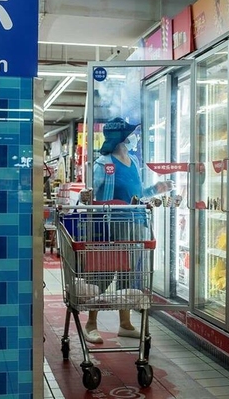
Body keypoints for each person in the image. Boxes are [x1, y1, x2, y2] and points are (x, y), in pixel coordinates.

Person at [83, 117, 172, 344]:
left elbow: (138, 194)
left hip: (136, 224)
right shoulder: (103, 164)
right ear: (121, 138)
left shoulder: (133, 160)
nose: (134, 137)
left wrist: (156, 189)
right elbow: (91, 195)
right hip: (110, 227)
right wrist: (87, 197)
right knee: (103, 273)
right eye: (131, 134)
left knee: (127, 274)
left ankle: (125, 324)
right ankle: (91, 324)